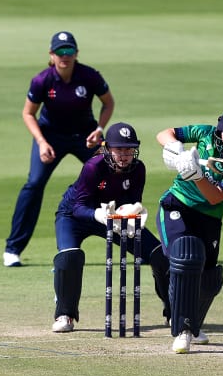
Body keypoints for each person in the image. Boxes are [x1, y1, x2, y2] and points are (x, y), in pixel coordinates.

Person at [3, 31, 115, 267]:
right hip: (50, 137)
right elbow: (28, 113)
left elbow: (108, 102)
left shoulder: (89, 76)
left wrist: (99, 128)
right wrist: (42, 142)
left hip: (86, 136)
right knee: (34, 184)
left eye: (69, 51)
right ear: (51, 55)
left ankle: (133, 243)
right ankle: (13, 249)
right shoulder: (42, 80)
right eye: (60, 52)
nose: (65, 56)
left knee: (113, 175)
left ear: (76, 54)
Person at [155, 103, 223, 353]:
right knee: (186, 257)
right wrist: (175, 148)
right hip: (176, 205)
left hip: (210, 217)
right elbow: (165, 133)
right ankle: (182, 330)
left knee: (209, 282)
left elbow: (216, 197)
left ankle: (193, 322)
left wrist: (197, 175)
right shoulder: (205, 133)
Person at [51, 122, 170, 333]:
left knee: (159, 254)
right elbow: (79, 207)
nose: (124, 155)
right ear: (107, 148)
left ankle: (173, 311)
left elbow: (133, 201)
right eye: (119, 149)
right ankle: (65, 314)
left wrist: (133, 215)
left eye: (129, 149)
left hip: (113, 218)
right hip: (75, 216)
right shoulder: (93, 167)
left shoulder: (138, 169)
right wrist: (98, 214)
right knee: (69, 256)